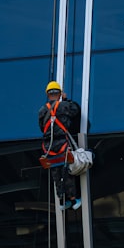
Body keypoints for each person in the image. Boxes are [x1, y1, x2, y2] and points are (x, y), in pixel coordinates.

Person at [38, 80, 82, 210]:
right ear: (59, 93)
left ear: (47, 94)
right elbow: (76, 110)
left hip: (49, 146)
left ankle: (62, 201)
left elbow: (42, 128)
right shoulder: (64, 106)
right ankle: (74, 200)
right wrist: (66, 99)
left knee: (56, 174)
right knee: (67, 172)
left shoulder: (41, 110)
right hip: (62, 143)